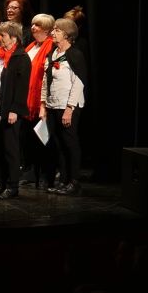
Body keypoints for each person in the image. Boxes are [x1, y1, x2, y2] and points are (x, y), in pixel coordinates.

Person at [0, 20, 30, 199]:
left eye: (3, 35)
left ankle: (12, 186)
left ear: (14, 37)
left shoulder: (21, 58)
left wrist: (14, 109)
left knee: (10, 149)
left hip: (9, 111)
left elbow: (22, 86)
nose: (0, 38)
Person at [41, 18, 87, 195]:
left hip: (68, 106)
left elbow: (79, 83)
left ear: (67, 34)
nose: (53, 33)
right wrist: (43, 105)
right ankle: (64, 180)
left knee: (70, 143)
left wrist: (69, 109)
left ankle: (74, 182)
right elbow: (45, 81)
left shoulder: (75, 55)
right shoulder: (52, 54)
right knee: (58, 144)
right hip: (53, 105)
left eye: (57, 30)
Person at [21, 13, 57, 189]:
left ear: (48, 30)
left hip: (40, 100)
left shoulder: (50, 47)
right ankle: (31, 173)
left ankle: (45, 176)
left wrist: (43, 103)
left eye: (38, 25)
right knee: (29, 140)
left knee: (44, 140)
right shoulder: (30, 46)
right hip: (26, 100)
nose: (33, 28)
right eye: (33, 24)